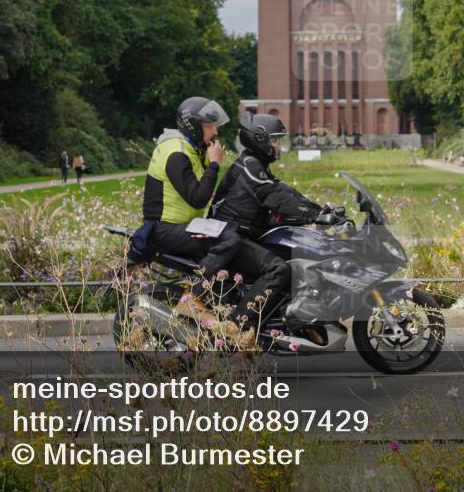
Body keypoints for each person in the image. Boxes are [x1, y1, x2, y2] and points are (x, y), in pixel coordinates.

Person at [137, 96, 251, 347]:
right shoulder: (176, 153)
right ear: (193, 126)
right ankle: (194, 298)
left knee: (236, 233)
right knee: (229, 239)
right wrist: (214, 164)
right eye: (210, 126)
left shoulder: (190, 148)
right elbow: (198, 198)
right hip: (164, 229)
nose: (216, 131)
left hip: (183, 226)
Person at [210, 112, 325, 330]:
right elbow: (274, 197)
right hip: (229, 236)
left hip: (240, 234)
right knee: (278, 270)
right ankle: (238, 328)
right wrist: (312, 216)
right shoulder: (250, 166)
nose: (279, 146)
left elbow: (283, 190)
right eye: (275, 140)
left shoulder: (256, 165)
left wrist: (321, 210)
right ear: (259, 139)